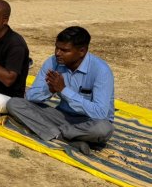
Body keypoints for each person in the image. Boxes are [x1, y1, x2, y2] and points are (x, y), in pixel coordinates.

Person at [7, 26, 114, 156]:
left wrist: (63, 90)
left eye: (64, 50)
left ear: (82, 51)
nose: (58, 53)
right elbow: (31, 96)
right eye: (57, 47)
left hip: (88, 123)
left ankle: (56, 133)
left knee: (104, 129)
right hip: (61, 116)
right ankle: (68, 139)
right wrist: (49, 90)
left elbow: (100, 113)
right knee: (14, 104)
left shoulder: (101, 70)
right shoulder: (53, 62)